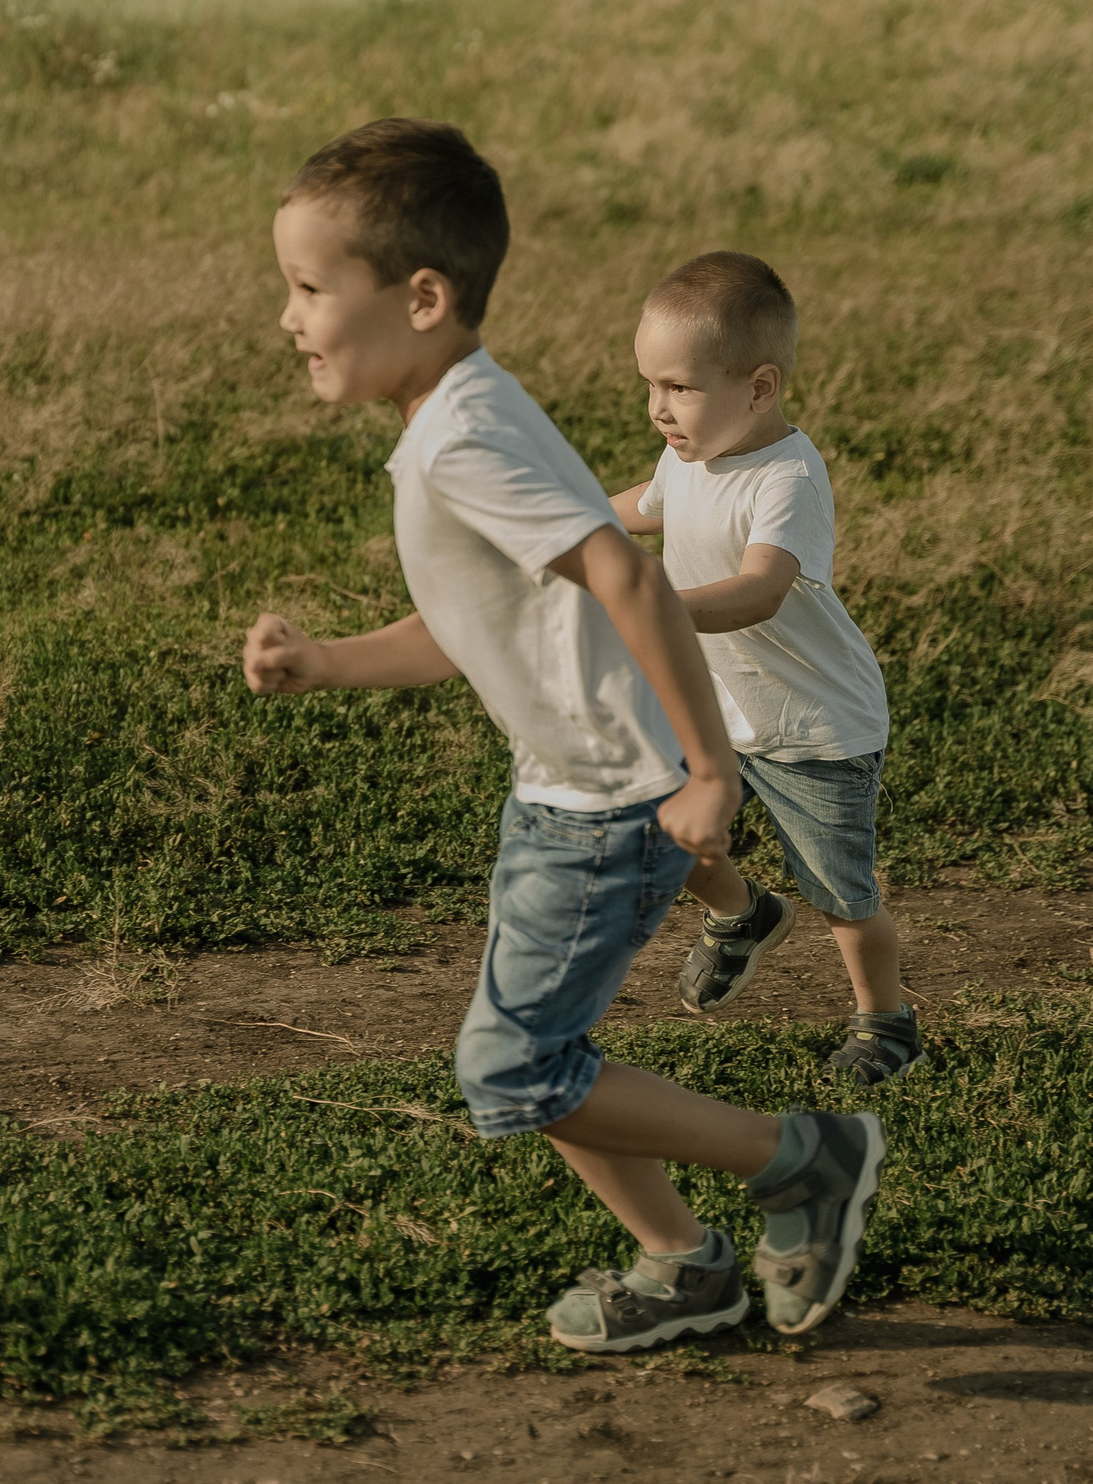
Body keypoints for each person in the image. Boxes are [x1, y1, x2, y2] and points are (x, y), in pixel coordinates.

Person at [241, 119, 885, 1353]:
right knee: (531, 1059)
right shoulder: (458, 421)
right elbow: (470, 628)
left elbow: (623, 579)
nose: (290, 318)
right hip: (567, 792)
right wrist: (326, 663)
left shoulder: (465, 437)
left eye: (311, 289)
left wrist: (707, 772)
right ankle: (684, 1263)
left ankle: (798, 1162)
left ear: (421, 297)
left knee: (512, 1067)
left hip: (606, 801)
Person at [604, 252, 917, 1085]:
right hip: (719, 707)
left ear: (760, 386)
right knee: (659, 822)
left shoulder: (788, 476)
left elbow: (760, 589)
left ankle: (886, 1022)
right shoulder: (691, 452)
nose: (657, 408)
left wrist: (655, 604)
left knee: (840, 895)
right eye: (650, 384)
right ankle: (741, 915)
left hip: (814, 725)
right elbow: (643, 503)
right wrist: (561, 527)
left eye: (678, 387)